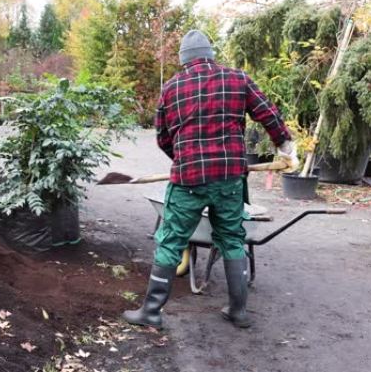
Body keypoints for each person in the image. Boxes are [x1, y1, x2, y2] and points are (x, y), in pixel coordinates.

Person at [122, 30, 298, 329]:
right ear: (210, 54)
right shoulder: (238, 79)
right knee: (231, 238)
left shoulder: (171, 88)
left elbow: (163, 138)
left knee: (171, 240)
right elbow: (269, 114)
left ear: (183, 59)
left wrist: (184, 158)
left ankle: (151, 313)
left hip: (188, 179)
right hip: (230, 178)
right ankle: (238, 311)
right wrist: (287, 148)